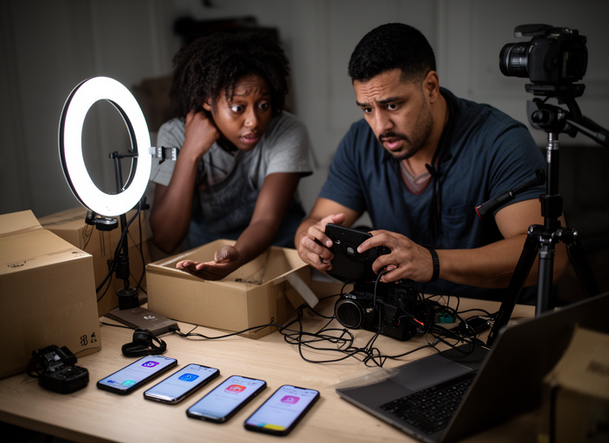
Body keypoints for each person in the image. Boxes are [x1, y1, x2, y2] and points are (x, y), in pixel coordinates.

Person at [295, 23, 567, 303]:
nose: (380, 126)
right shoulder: (358, 142)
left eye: (392, 105)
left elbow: (551, 258)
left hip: (499, 313)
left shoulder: (501, 141)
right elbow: (314, 223)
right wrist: (308, 242)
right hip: (408, 311)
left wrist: (433, 262)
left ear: (431, 87)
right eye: (367, 109)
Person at [149, 31, 312, 280]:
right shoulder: (175, 135)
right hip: (208, 259)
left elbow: (265, 220)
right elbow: (165, 239)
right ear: (207, 100)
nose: (253, 121)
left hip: (281, 256)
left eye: (263, 105)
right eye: (238, 108)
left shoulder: (288, 130)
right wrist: (190, 152)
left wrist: (237, 254)